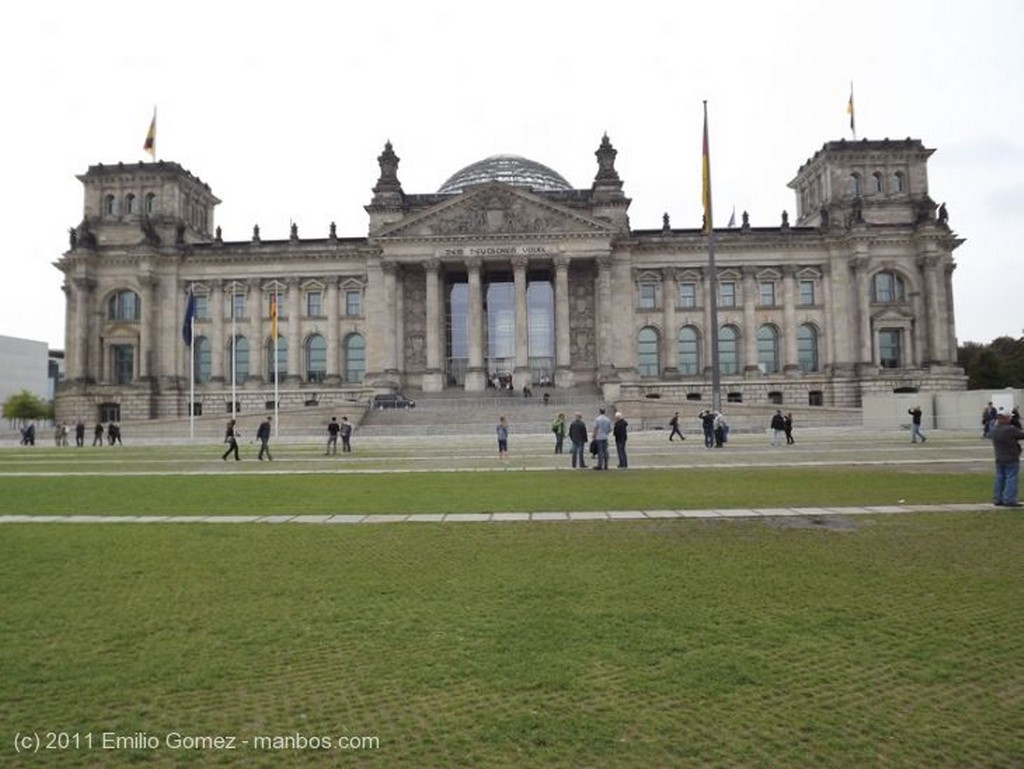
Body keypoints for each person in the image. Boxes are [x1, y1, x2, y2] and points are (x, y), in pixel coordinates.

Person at [991, 407, 1023, 507]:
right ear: (1005, 418)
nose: (1010, 419)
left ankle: (998, 498)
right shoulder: (1010, 429)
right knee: (1011, 478)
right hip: (1011, 457)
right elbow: (1021, 435)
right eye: (1009, 417)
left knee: (999, 478)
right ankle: (1009, 499)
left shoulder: (994, 429)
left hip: (999, 457)